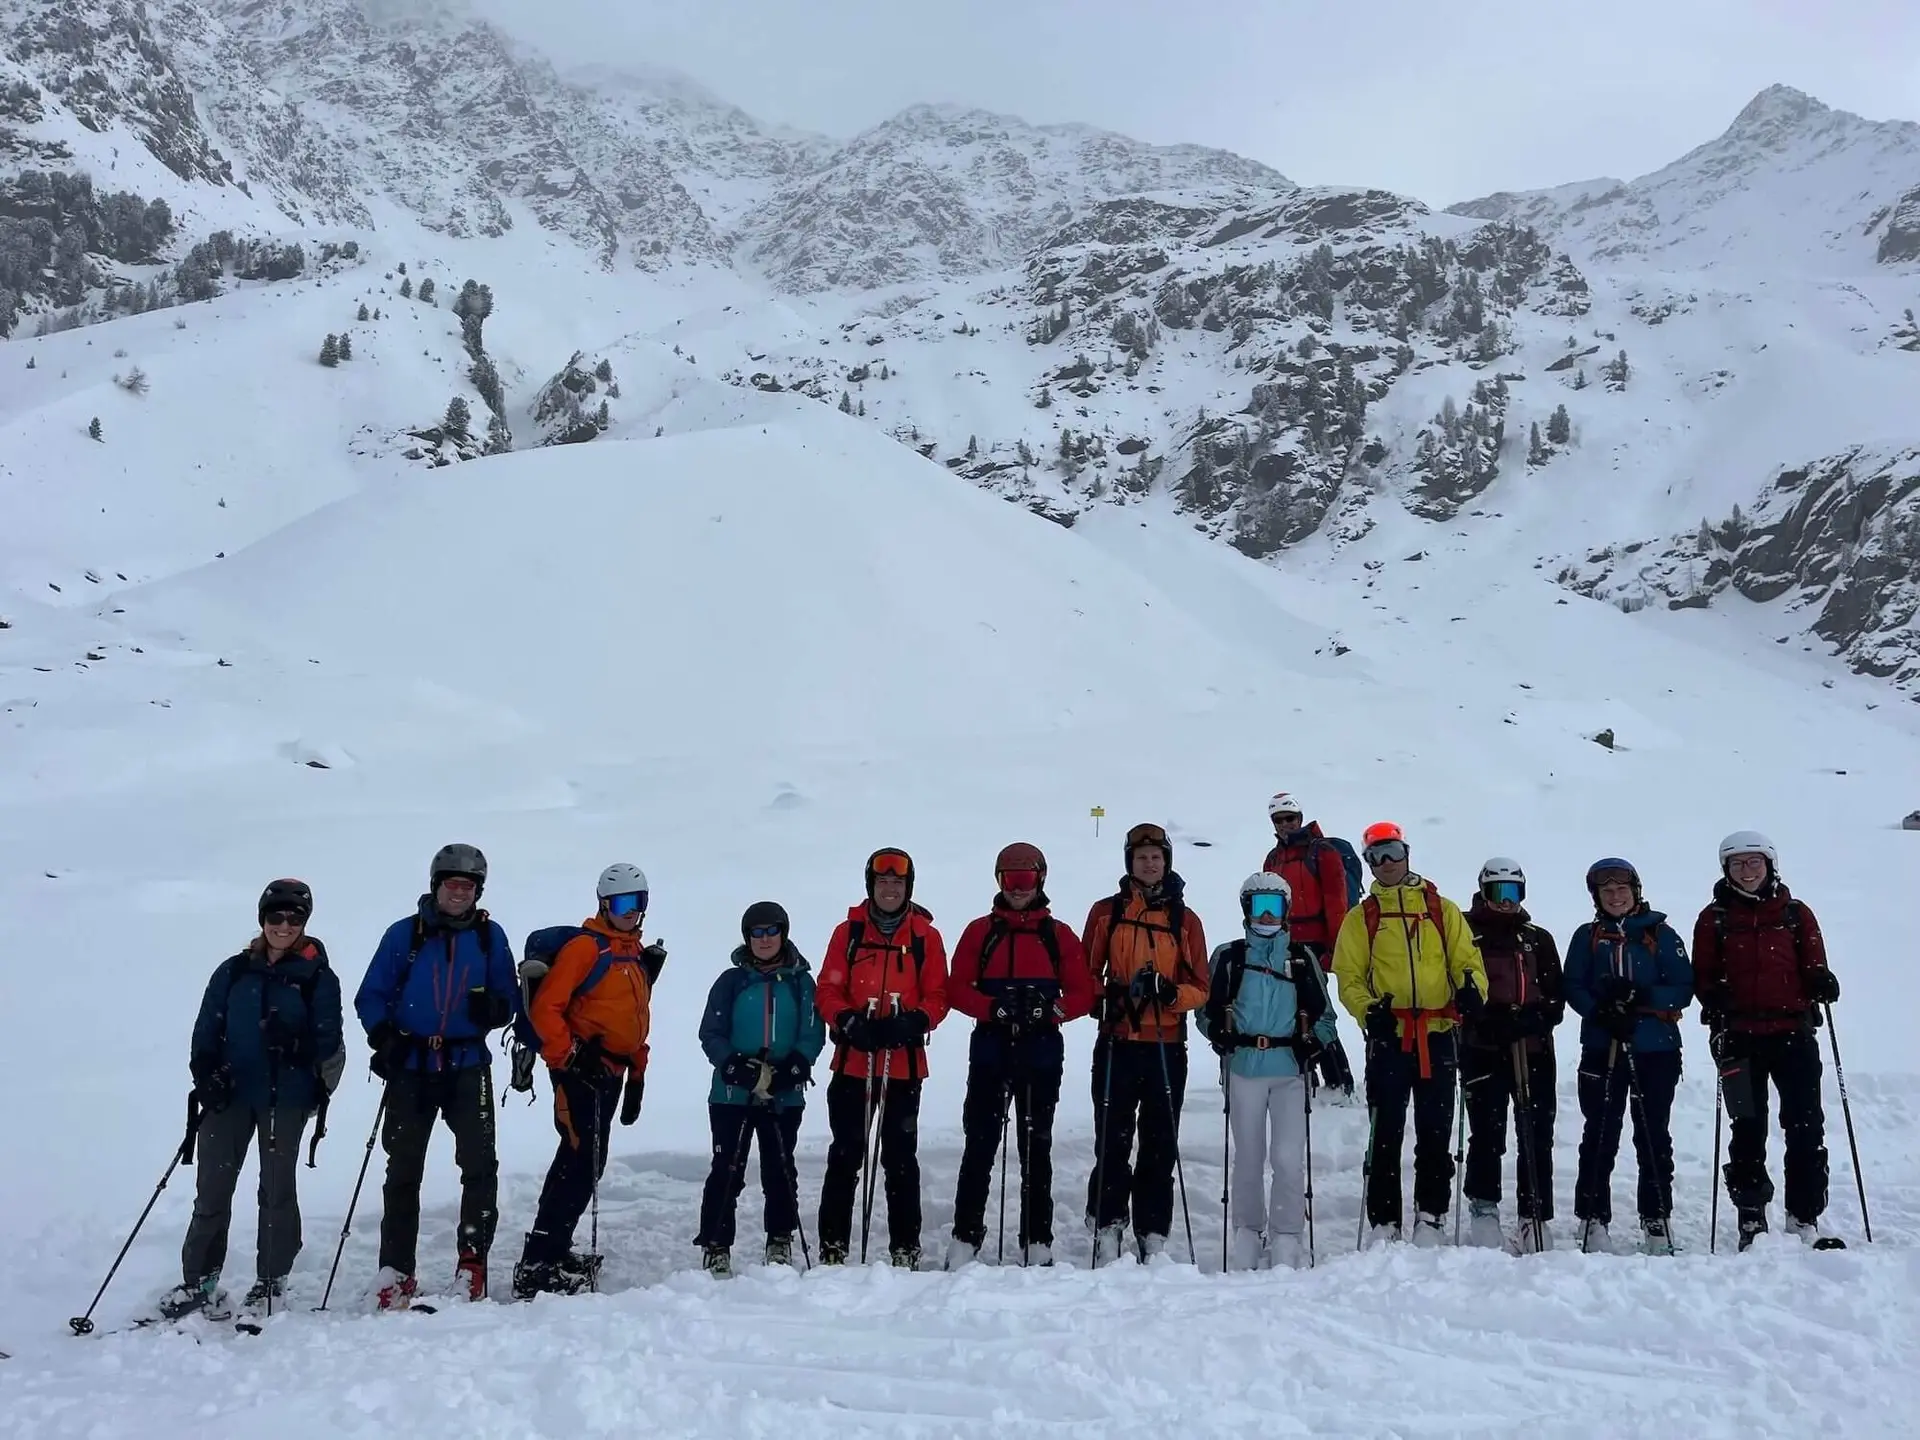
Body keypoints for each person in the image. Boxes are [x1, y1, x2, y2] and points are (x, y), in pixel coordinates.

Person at [160, 880, 344, 1320]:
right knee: (212, 1190)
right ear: (262, 918)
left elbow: (328, 1039)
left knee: (277, 1189)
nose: (284, 925)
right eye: (276, 916)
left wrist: (296, 1045)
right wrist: (205, 1073)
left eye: (294, 918)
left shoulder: (317, 977)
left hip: (288, 1096)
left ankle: (270, 1280)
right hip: (231, 1094)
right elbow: (206, 1029)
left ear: (305, 922)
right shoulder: (234, 971)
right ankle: (200, 1281)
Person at [354, 843, 520, 1306]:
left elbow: (509, 996)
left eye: (468, 887)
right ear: (436, 885)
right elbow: (371, 995)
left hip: (468, 1064)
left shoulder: (490, 938)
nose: (459, 894)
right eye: (452, 884)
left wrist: (498, 1008)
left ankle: (473, 1265)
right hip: (411, 1066)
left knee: (479, 1167)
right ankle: (396, 1271)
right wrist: (383, 1036)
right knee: (402, 1170)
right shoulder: (404, 935)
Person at [510, 863, 662, 1298]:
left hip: (609, 1073)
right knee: (578, 1159)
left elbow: (632, 1022)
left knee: (588, 1160)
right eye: (621, 904)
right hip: (580, 1074)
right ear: (604, 904)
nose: (630, 912)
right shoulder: (587, 949)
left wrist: (637, 1074)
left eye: (637, 903)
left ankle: (555, 1250)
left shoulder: (631, 952)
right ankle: (539, 1262)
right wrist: (571, 1058)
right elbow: (546, 1011)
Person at [1331, 822, 1487, 1247]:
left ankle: (1430, 1214)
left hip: (1437, 1032)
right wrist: (1368, 1012)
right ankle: (1385, 1220)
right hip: (1389, 1035)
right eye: (1376, 857)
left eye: (1392, 851)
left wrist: (1472, 988)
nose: (1386, 863)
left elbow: (1466, 959)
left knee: (1435, 1130)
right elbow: (1348, 976)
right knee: (1385, 1131)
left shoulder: (1441, 907)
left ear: (1406, 853)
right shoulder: (1362, 916)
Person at [1691, 831, 1843, 1250]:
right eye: (1737, 864)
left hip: (1793, 1032)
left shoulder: (1796, 913)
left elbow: (1814, 958)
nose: (1747, 870)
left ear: (1770, 865)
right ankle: (1752, 1216)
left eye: (1753, 862)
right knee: (1748, 1128)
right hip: (1738, 1035)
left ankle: (1804, 1215)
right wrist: (1713, 993)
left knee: (1805, 1125)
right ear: (1726, 870)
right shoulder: (1714, 918)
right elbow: (1701, 972)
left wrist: (1820, 979)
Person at [945, 843, 1093, 1269]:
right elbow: (956, 988)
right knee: (980, 1143)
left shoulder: (1057, 934)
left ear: (1040, 880)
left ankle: (1037, 1239)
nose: (1018, 889)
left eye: (1025, 880)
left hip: (1041, 1049)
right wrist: (993, 1008)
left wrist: (1051, 1011)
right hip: (991, 1046)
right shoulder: (981, 931)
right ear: (998, 882)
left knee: (1036, 1146)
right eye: (1010, 880)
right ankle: (965, 1237)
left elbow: (1084, 991)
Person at [815, 848, 950, 1268]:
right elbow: (827, 989)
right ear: (870, 885)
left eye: (897, 883)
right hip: (854, 1062)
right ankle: (833, 1244)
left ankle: (904, 1246)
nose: (889, 890)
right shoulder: (848, 932)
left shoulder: (925, 937)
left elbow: (939, 996)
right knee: (846, 1155)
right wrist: (848, 1020)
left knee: (899, 1159)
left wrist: (914, 1022)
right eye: (882, 882)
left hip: (903, 1065)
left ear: (908, 887)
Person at [1082, 822, 1210, 1264]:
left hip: (1165, 1042)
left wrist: (1172, 994)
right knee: (1112, 1139)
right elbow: (1084, 975)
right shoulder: (1107, 912)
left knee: (1159, 1140)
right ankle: (1107, 1223)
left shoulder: (1184, 919)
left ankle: (1152, 1228)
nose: (1150, 864)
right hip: (1118, 1041)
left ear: (1167, 862)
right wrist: (1108, 997)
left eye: (1156, 857)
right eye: (1141, 858)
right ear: (1129, 863)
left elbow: (1201, 986)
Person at [1197, 872, 1337, 1270]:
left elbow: (1326, 1015)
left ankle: (1288, 1232)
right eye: (1258, 906)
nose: (1267, 916)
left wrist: (1315, 1042)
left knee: (1288, 1156)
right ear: (1246, 908)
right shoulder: (1230, 955)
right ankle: (1247, 1228)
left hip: (1290, 1069)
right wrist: (1218, 1035)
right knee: (1248, 1155)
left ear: (1286, 910)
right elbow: (1205, 1011)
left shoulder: (1300, 957)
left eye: (1274, 907)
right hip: (1243, 1068)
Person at [1563, 857, 1693, 1255]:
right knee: (1600, 1133)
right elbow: (1572, 984)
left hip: (1655, 1048)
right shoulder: (1588, 936)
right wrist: (1600, 1010)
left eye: (1622, 889)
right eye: (1607, 891)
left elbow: (1684, 987)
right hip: (1604, 1047)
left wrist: (1642, 998)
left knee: (1653, 1134)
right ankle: (1592, 1215)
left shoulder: (1660, 934)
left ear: (1636, 891)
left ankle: (1655, 1216)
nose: (1616, 896)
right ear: (1597, 897)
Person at [693, 900, 825, 1275]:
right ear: (747, 937)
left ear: (784, 933)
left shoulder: (801, 982)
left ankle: (779, 1239)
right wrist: (734, 1066)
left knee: (780, 1167)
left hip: (783, 1090)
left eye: (772, 931)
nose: (765, 939)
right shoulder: (731, 981)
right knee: (727, 1166)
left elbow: (813, 1031)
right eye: (757, 932)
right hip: (731, 1092)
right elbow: (711, 1032)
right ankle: (716, 1243)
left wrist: (796, 1065)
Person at [1459, 858, 1564, 1253]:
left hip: (1532, 1048)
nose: (1506, 901)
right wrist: (1483, 1019)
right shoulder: (1467, 934)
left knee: (1536, 1132)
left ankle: (1534, 1213)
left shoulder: (1537, 937)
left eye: (1514, 892)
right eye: (1498, 892)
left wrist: (1538, 1018)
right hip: (1484, 1047)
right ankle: (1484, 1207)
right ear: (1484, 892)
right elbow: (1459, 983)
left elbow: (1556, 993)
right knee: (1487, 1133)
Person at [1261, 793, 1360, 1101]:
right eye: (1280, 820)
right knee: (1289, 1011)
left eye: (1290, 818)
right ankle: (1307, 1076)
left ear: (1300, 818)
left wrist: (1335, 948)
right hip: (1284, 944)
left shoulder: (1323, 852)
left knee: (1316, 1011)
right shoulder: (1273, 858)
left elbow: (1336, 902)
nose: (1286, 824)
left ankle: (1338, 1079)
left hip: (1316, 944)